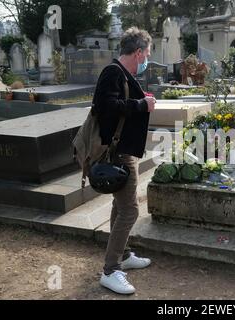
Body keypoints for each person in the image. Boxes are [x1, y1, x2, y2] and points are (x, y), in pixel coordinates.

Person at [93, 27, 156, 295]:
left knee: (120, 208)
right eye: (147, 54)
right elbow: (106, 108)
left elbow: (118, 104)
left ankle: (125, 255)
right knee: (130, 210)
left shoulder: (121, 73)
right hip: (116, 152)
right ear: (139, 52)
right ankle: (110, 270)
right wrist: (142, 105)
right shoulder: (113, 72)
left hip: (122, 150)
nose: (146, 59)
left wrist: (142, 102)